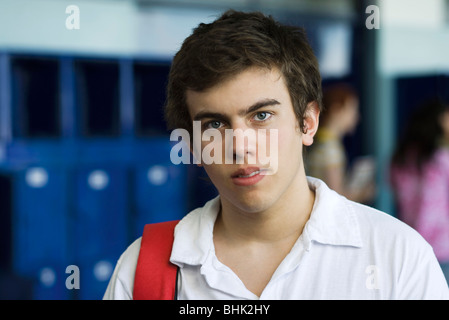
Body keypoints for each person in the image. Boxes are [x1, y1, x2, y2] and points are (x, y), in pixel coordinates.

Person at [104, 10, 449, 299]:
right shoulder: (142, 272)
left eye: (262, 116)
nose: (240, 145)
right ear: (192, 143)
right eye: (214, 124)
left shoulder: (397, 257)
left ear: (309, 122)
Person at [390, 99, 449, 284]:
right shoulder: (441, 159)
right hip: (442, 245)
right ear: (437, 122)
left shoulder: (400, 159)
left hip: (410, 242)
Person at [305, 83, 375, 203]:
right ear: (336, 110)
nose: (356, 117)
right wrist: (362, 194)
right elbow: (336, 196)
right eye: (352, 109)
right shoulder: (331, 147)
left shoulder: (318, 140)